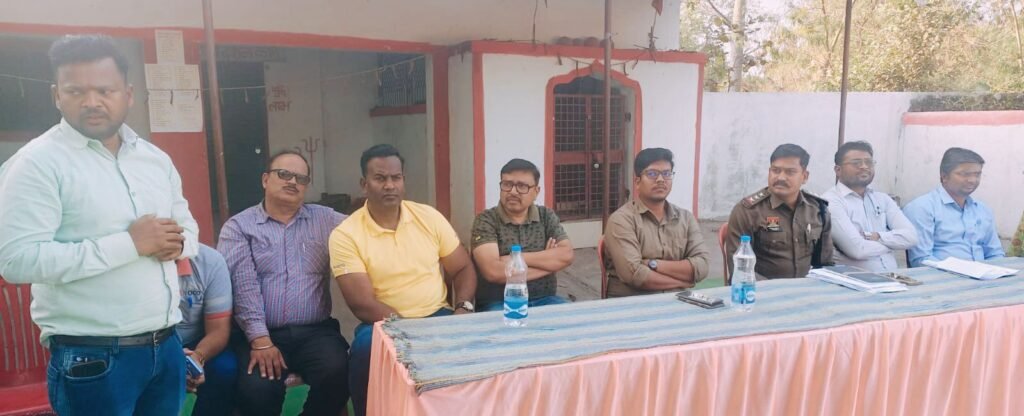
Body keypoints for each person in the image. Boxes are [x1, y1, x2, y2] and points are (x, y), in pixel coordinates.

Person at [0, 34, 198, 415]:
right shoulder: (37, 164)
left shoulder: (154, 159)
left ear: (128, 94)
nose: (92, 102)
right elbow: (17, 260)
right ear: (57, 95)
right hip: (92, 358)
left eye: (105, 90)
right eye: (76, 91)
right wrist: (130, 244)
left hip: (166, 347)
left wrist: (175, 243)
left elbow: (189, 229)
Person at [330, 144, 478, 416]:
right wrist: (411, 331)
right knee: (364, 350)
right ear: (364, 184)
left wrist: (463, 308)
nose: (389, 185)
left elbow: (462, 268)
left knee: (476, 349)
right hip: (384, 324)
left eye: (395, 178)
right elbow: (362, 304)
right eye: (380, 178)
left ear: (403, 180)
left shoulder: (428, 217)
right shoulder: (346, 234)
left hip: (438, 315)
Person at [218, 150, 349, 416]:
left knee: (340, 371)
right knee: (257, 391)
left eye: (301, 178)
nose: (292, 182)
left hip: (315, 332)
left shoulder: (325, 220)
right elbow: (243, 287)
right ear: (265, 179)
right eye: (284, 174)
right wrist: (260, 340)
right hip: (259, 332)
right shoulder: (239, 227)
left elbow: (367, 229)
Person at [603, 148, 710, 297]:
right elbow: (635, 274)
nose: (660, 180)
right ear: (637, 182)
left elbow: (702, 265)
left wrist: (653, 264)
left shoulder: (685, 218)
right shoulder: (621, 220)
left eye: (666, 174)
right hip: (633, 302)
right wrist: (681, 283)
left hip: (678, 300)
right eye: (652, 174)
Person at [471, 158, 574, 310]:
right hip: (500, 302)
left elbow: (566, 255)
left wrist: (514, 259)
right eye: (507, 184)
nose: (513, 191)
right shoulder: (486, 220)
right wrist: (549, 264)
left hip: (545, 299)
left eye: (522, 186)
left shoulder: (546, 216)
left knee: (572, 317)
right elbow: (493, 272)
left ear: (536, 191)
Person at [726, 144, 834, 279]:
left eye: (790, 172)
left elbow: (825, 264)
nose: (781, 177)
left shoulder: (818, 210)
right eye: (775, 170)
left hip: (807, 288)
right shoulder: (748, 211)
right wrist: (778, 289)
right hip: (762, 289)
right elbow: (740, 269)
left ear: (805, 176)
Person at [822, 141, 918, 271]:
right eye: (856, 163)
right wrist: (893, 244)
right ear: (838, 170)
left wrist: (878, 236)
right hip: (854, 279)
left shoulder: (882, 199)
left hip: (893, 277)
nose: (864, 167)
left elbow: (912, 237)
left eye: (869, 162)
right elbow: (858, 250)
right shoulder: (831, 201)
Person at [903, 147, 1004, 267]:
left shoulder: (983, 210)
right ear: (944, 176)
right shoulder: (922, 208)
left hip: (984, 274)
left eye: (977, 174)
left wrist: (996, 271)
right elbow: (921, 259)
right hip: (942, 275)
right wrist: (964, 272)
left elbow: (995, 253)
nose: (972, 180)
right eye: (965, 174)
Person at [175, 244, 235, 416]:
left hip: (197, 342)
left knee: (225, 369)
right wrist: (174, 357)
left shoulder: (211, 261)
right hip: (152, 343)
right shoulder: (138, 267)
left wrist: (196, 359)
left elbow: (218, 330)